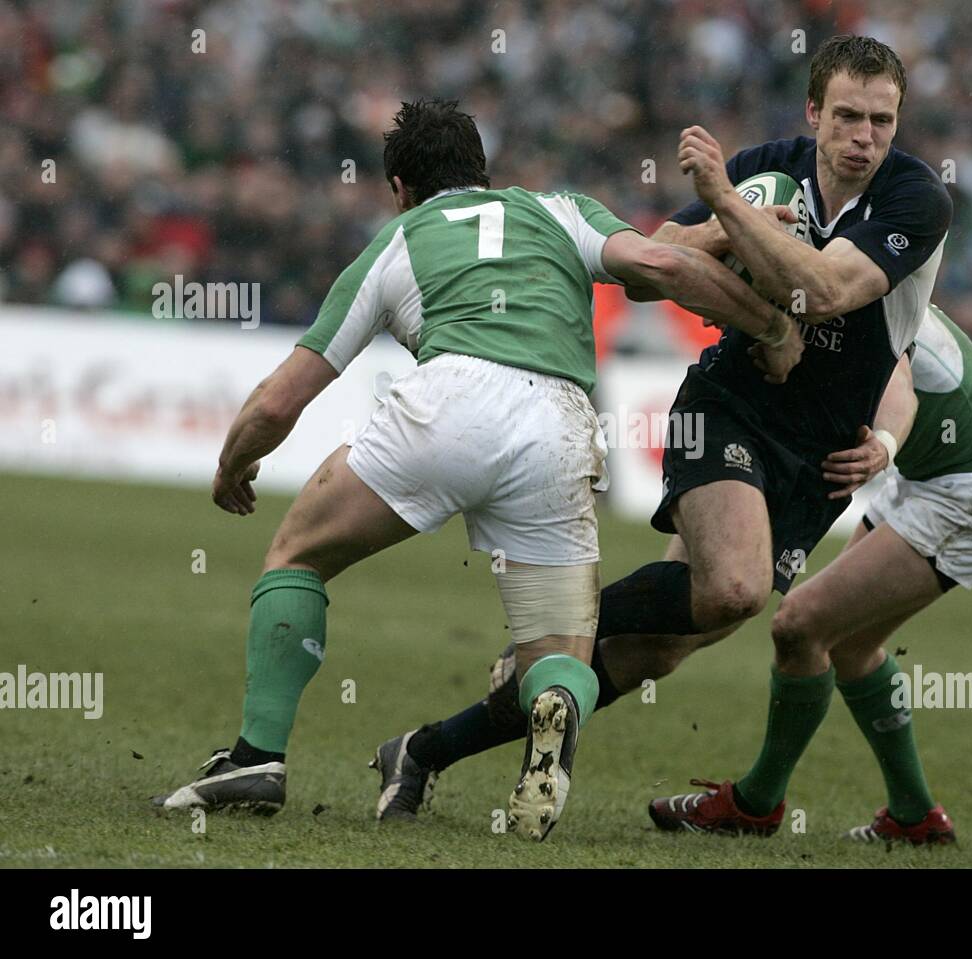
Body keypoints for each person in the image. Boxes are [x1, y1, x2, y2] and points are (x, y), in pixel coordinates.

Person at [151, 97, 801, 842]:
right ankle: (554, 706)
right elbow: (660, 261)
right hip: (557, 425)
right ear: (485, 173)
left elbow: (280, 400)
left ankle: (256, 757)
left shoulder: (395, 241)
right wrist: (773, 323)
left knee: (298, 553)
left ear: (399, 188)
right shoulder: (560, 210)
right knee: (558, 653)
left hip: (447, 405)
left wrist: (235, 462)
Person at [372, 35, 954, 822]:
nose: (864, 138)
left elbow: (832, 287)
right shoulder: (768, 164)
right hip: (730, 405)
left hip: (818, 453)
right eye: (847, 116)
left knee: (662, 648)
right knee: (737, 587)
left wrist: (734, 210)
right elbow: (655, 260)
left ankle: (424, 749)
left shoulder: (917, 198)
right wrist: (727, 215)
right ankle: (560, 624)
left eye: (882, 120)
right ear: (813, 110)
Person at [648, 304, 972, 842]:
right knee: (848, 645)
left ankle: (756, 804)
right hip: (933, 476)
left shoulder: (854, 300)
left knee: (800, 626)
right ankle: (915, 817)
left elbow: (894, 376)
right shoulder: (854, 279)